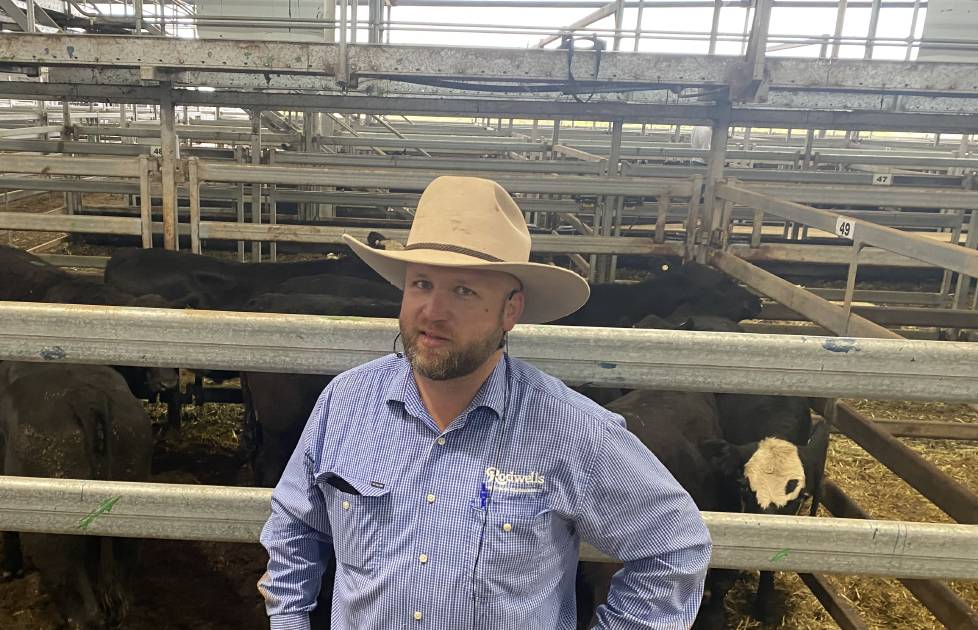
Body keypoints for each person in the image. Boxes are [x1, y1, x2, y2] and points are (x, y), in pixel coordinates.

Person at [258, 176, 711, 630]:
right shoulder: (347, 402)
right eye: (421, 283)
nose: (432, 311)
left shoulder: (570, 429)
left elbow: (675, 546)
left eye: (464, 291)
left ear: (510, 311)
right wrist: (290, 620)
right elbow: (295, 524)